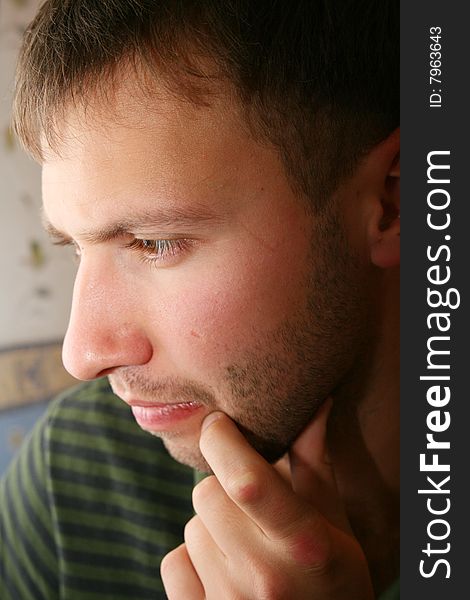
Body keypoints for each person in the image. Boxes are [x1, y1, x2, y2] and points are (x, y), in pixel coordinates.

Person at [0, 1, 400, 598]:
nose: (81, 356)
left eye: (155, 242)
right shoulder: (70, 474)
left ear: (393, 203)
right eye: (76, 248)